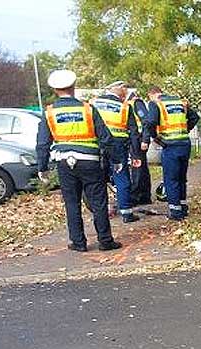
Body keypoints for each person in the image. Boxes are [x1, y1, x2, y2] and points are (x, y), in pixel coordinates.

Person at [36, 69, 122, 252]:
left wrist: (42, 167)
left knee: (72, 203)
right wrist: (117, 159)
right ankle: (105, 241)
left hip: (64, 163)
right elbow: (106, 138)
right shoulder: (88, 109)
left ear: (55, 90)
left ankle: (78, 242)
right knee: (98, 202)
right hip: (90, 162)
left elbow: (43, 143)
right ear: (73, 87)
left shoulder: (49, 113)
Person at [142, 86, 200, 221]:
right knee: (181, 178)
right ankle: (183, 207)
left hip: (169, 145)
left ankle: (175, 211)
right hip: (184, 144)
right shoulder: (180, 102)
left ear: (152, 95)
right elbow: (195, 117)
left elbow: (150, 122)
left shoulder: (156, 104)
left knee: (171, 179)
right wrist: (185, 130)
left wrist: (155, 137)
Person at [93, 81, 141, 222]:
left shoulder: (93, 103)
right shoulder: (125, 107)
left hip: (98, 145)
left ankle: (101, 213)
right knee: (121, 177)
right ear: (116, 89)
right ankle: (126, 212)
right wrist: (136, 154)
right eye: (124, 88)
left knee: (98, 179)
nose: (126, 91)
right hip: (118, 147)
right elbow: (133, 132)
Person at [127, 90, 152, 207]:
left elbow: (146, 121)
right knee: (142, 168)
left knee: (137, 168)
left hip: (138, 141)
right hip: (136, 139)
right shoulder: (132, 104)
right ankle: (144, 196)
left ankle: (136, 196)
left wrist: (145, 140)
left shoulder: (136, 103)